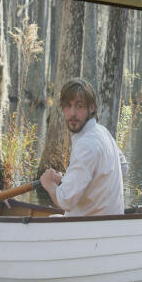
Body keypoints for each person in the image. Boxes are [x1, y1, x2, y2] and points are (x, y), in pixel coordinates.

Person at [41, 79, 126, 217]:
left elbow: (65, 201)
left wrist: (49, 183)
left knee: (48, 220)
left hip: (89, 228)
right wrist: (70, 180)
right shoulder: (102, 131)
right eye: (68, 106)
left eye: (79, 106)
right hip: (109, 224)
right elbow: (123, 168)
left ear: (91, 107)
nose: (72, 113)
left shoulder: (87, 144)